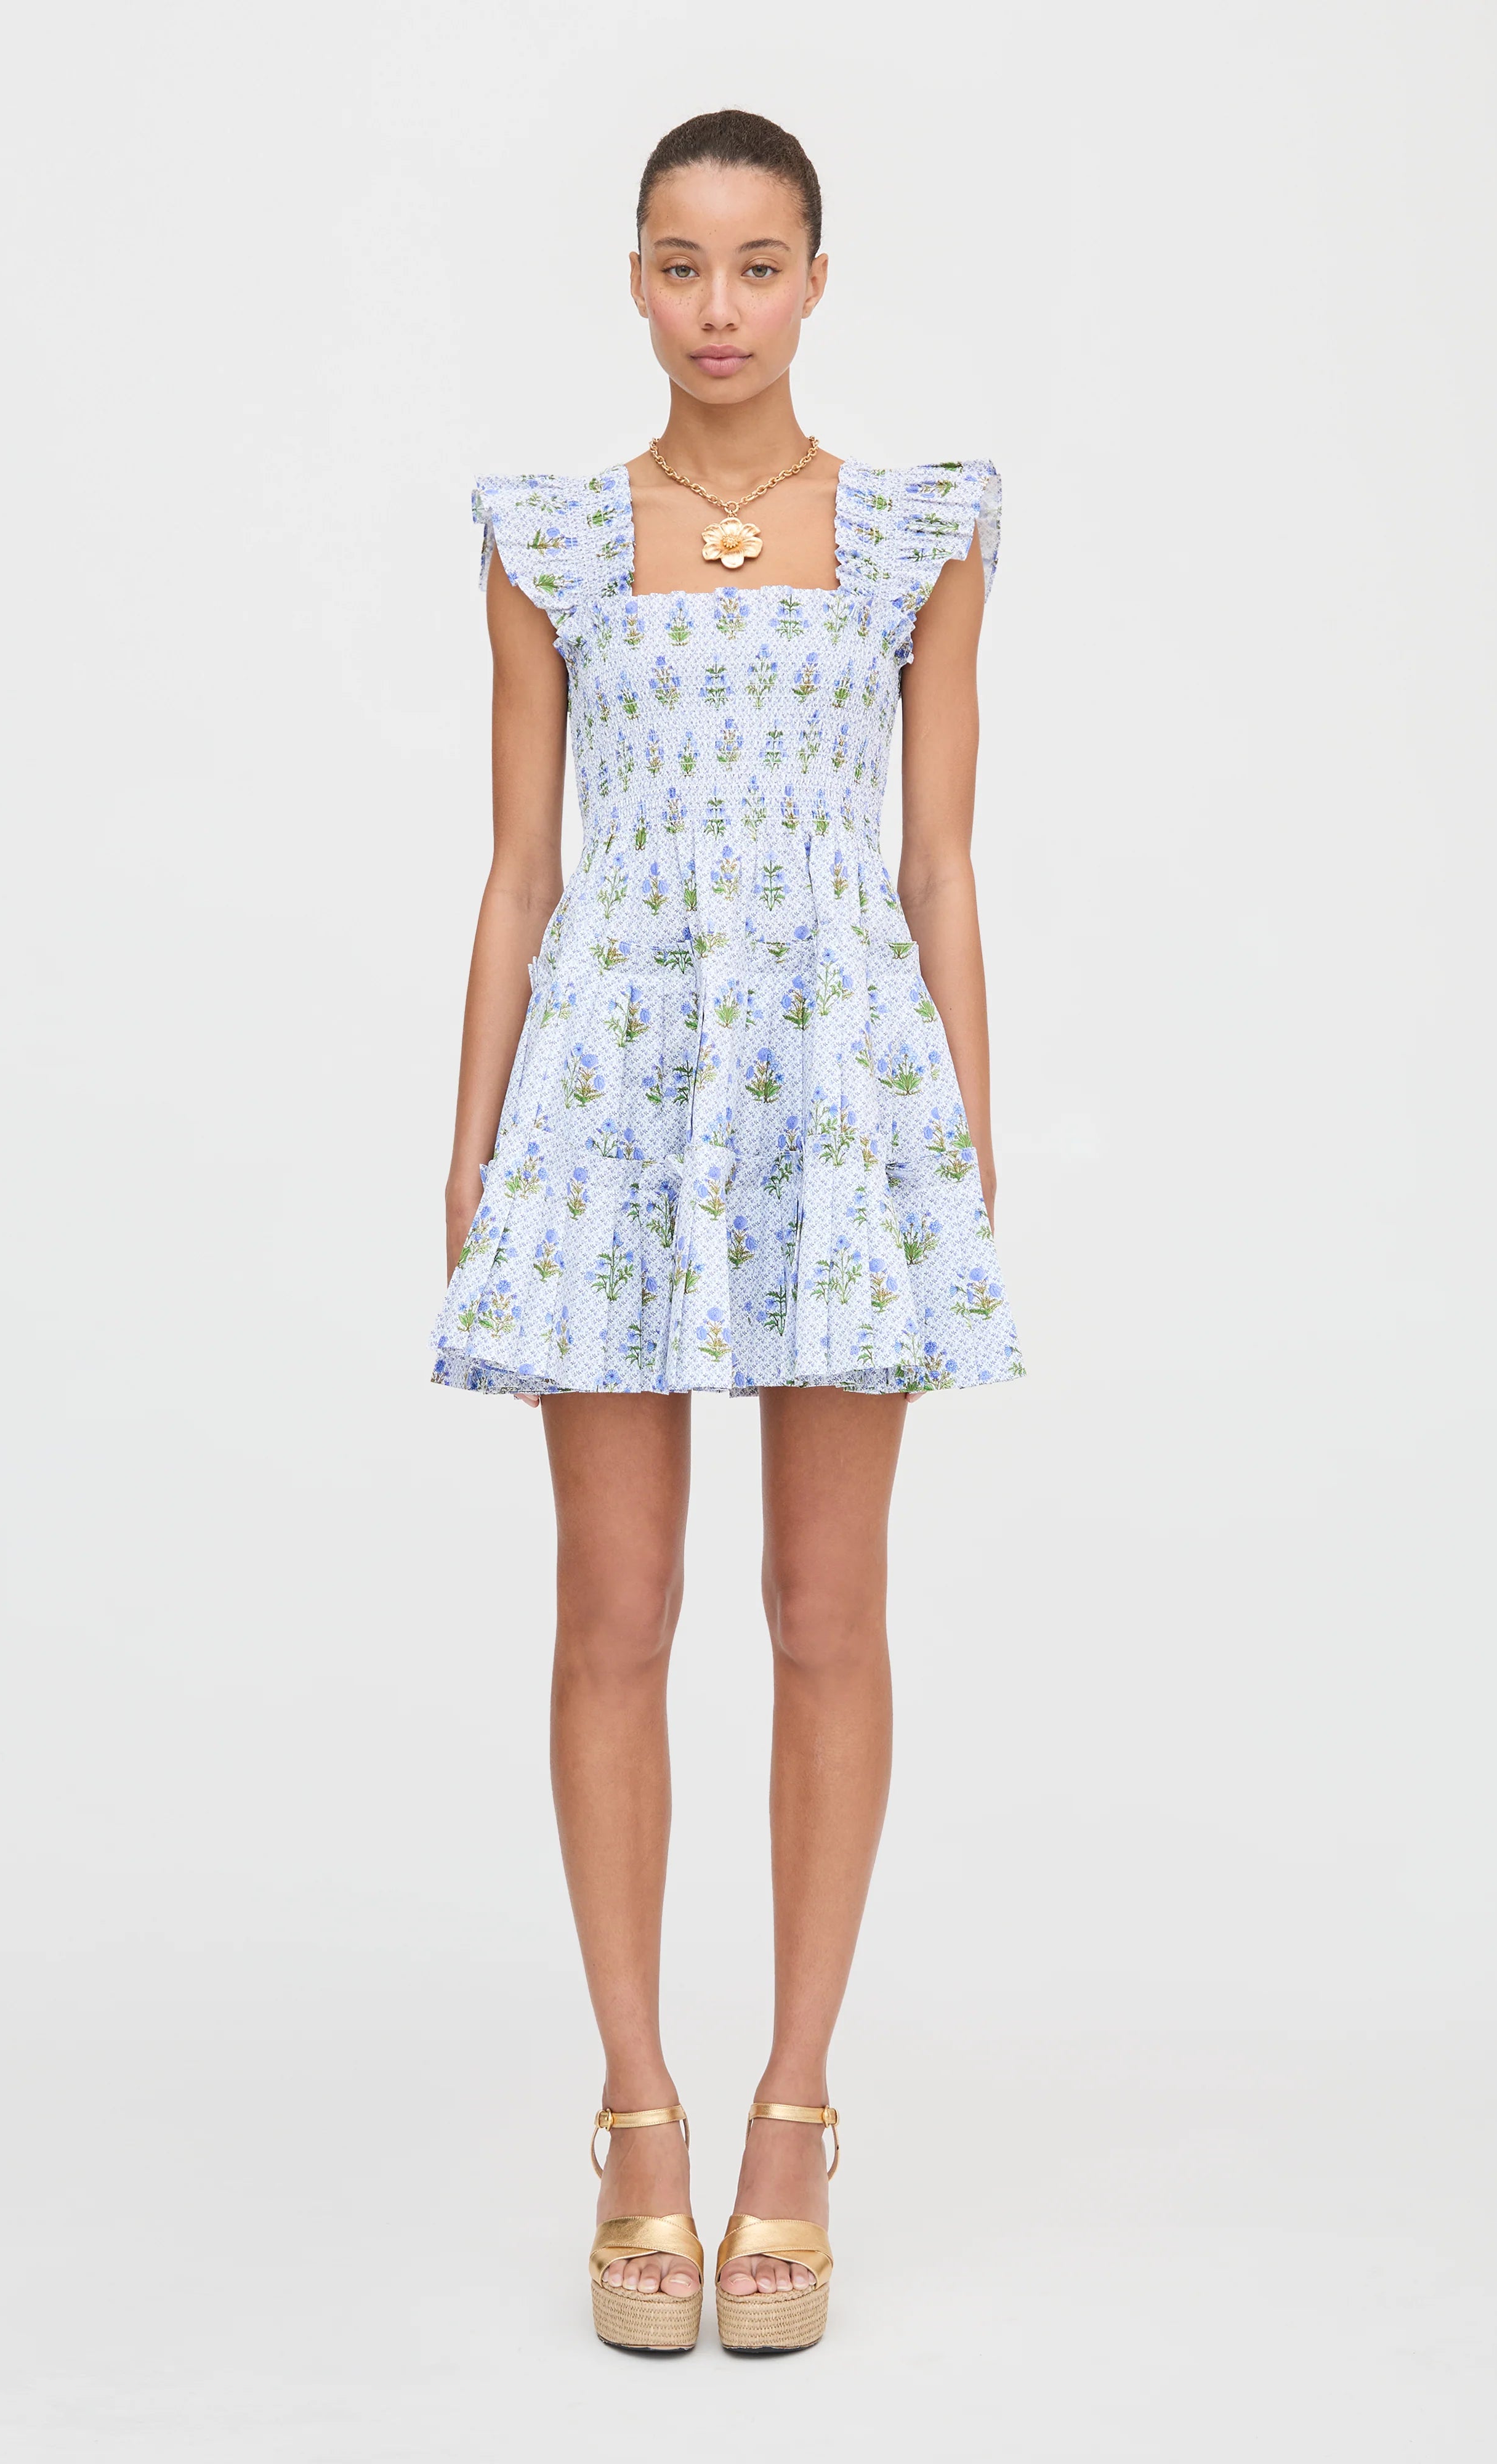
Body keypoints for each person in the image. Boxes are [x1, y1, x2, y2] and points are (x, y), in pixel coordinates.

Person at [430, 107, 1023, 2356]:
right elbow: (521, 866)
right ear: (632, 277)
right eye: (679, 264)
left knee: (821, 1608)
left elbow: (938, 863)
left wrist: (958, 1138)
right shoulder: (555, 540)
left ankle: (793, 2113)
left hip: (836, 1091)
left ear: (814, 281)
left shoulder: (916, 534)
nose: (716, 308)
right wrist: (472, 1143)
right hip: (611, 1090)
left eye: (756, 265)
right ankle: (636, 2117)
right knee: (614, 1608)